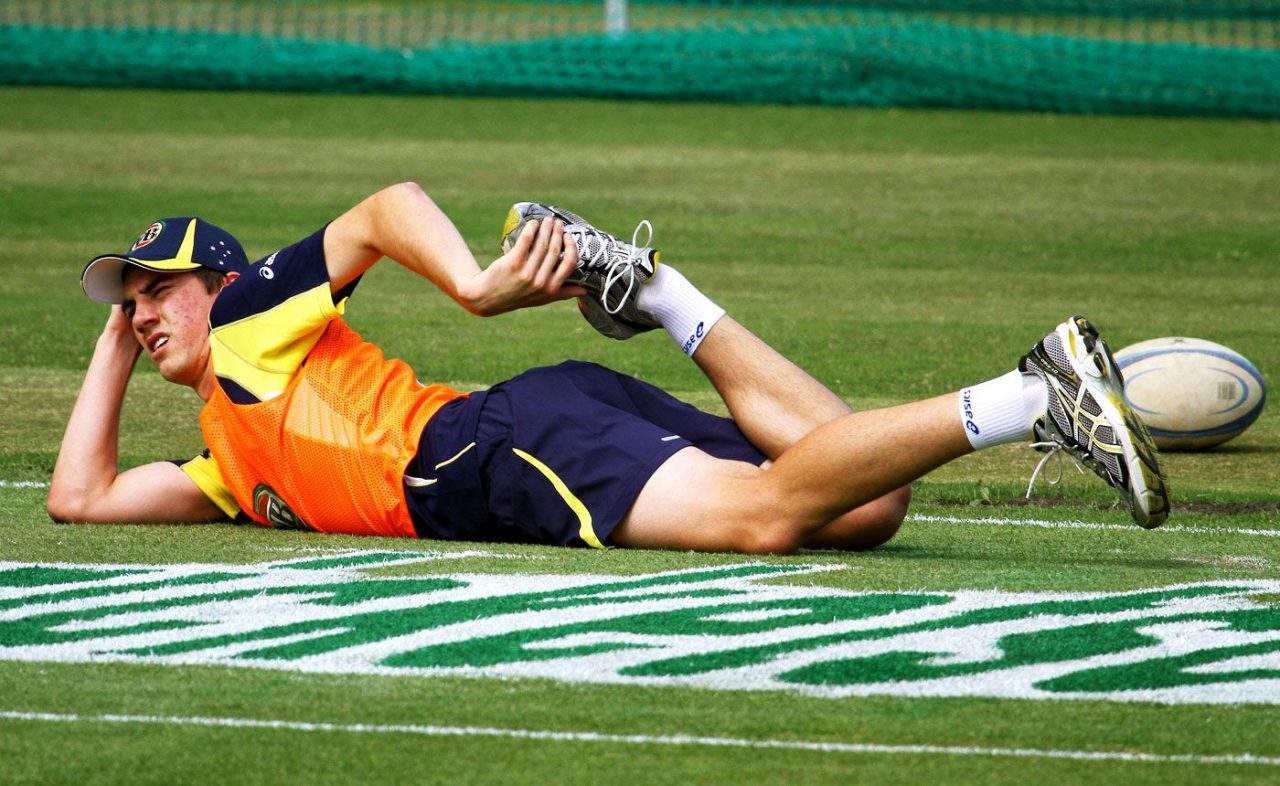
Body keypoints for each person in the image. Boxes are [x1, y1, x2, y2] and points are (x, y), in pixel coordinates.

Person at [48, 183, 1168, 553]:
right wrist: (112, 337)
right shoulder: (221, 464)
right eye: (130, 302)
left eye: (161, 289)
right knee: (866, 504)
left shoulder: (249, 317)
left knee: (762, 518)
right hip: (538, 417)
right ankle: (661, 298)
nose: (144, 313)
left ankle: (1033, 392)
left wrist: (475, 288)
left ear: (222, 282)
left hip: (490, 453)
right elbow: (80, 499)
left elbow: (384, 208)